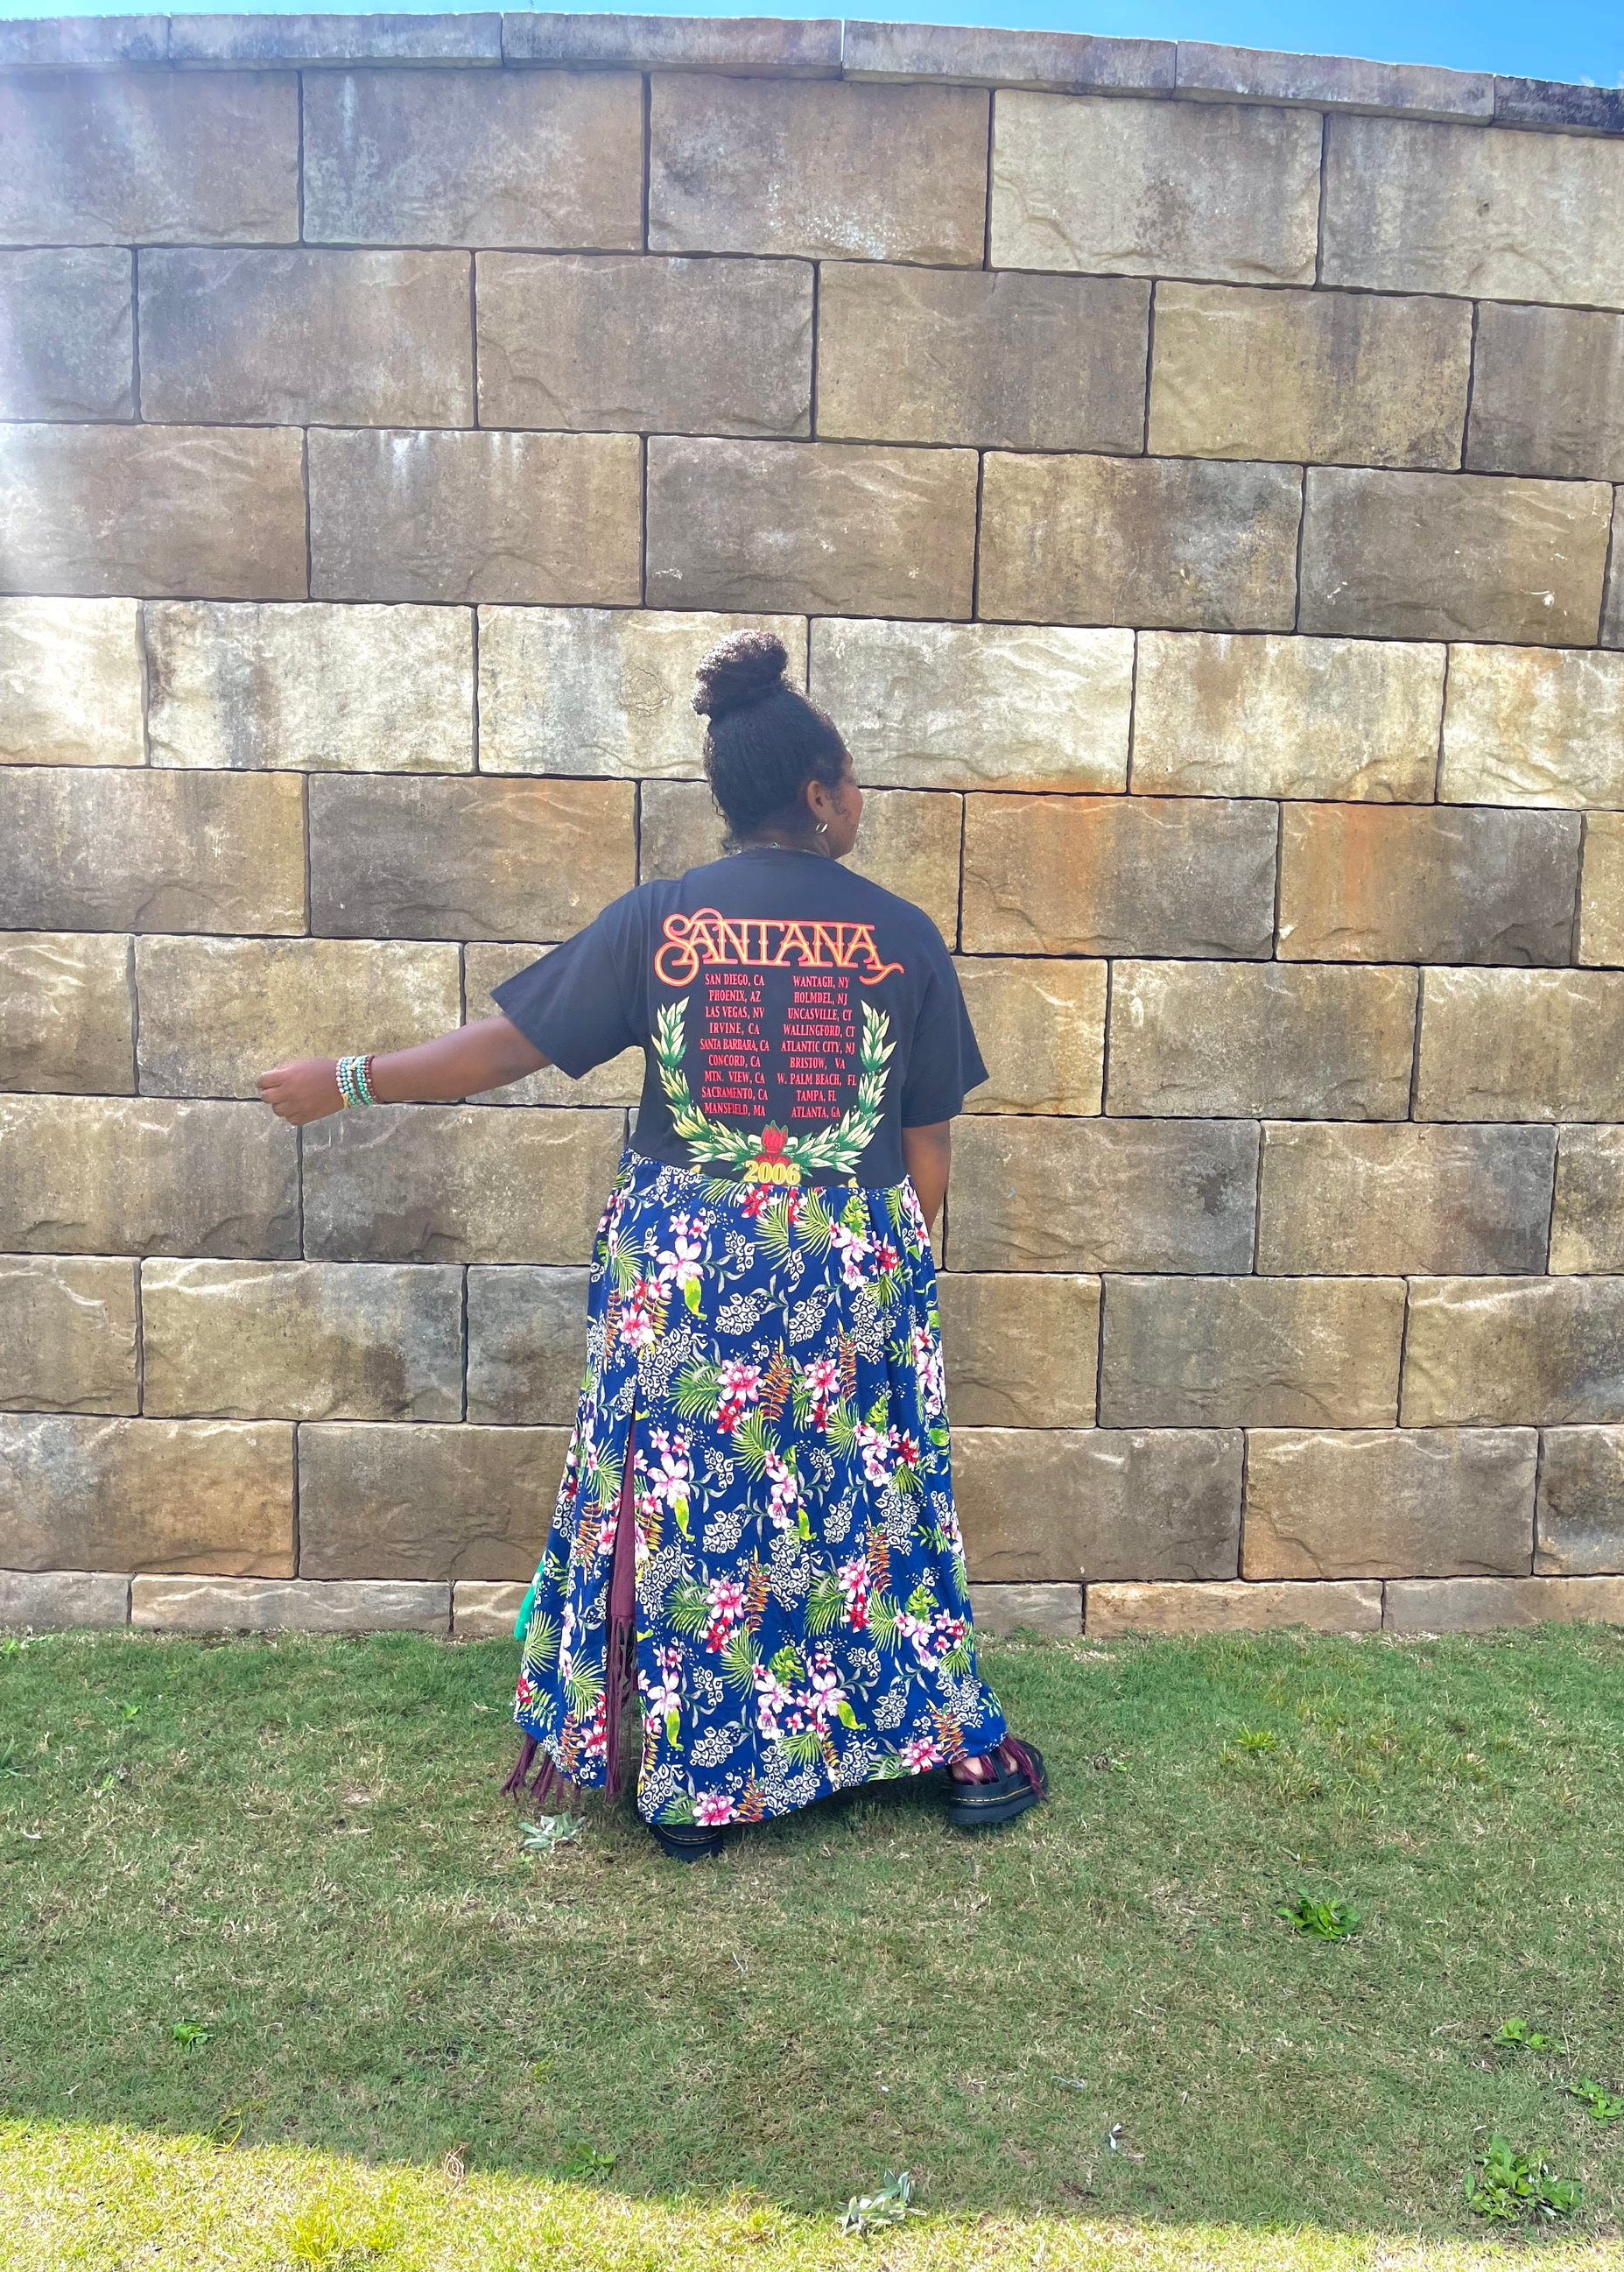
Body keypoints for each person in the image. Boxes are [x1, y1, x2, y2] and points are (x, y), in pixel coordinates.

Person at [259, 630, 1045, 1861]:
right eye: (853, 783)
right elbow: (925, 1143)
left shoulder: (661, 921)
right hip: (850, 1260)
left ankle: (694, 1783)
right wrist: (875, 1278)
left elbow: (502, 1050)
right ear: (819, 792)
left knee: (690, 1508)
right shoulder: (901, 936)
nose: (860, 802)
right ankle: (916, 1733)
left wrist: (348, 1078)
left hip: (683, 1270)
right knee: (862, 1502)